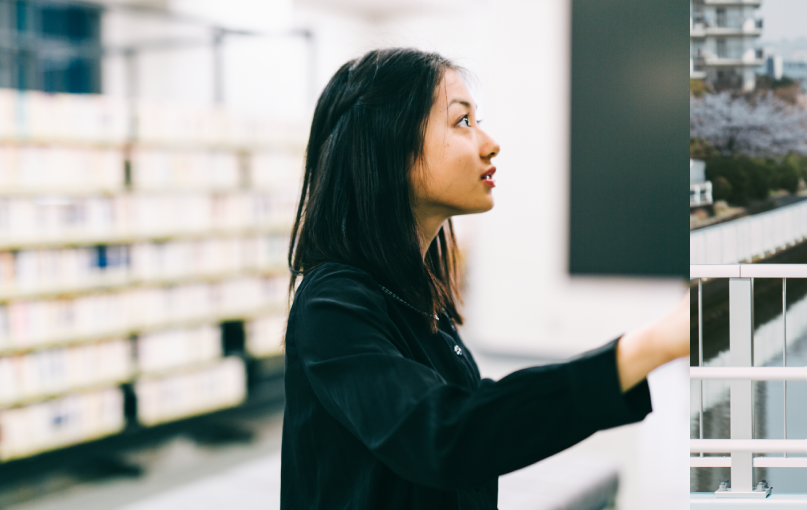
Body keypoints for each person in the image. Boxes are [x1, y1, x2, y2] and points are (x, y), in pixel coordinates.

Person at [279, 48, 689, 509]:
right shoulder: (331, 303)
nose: (490, 143)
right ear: (387, 143)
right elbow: (443, 435)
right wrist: (650, 346)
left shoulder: (414, 297)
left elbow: (472, 435)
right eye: (462, 122)